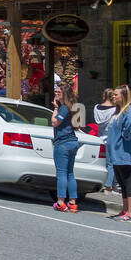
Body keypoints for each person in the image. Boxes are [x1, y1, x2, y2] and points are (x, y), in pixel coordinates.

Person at [107, 85, 131, 223]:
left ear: (124, 96)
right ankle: (125, 210)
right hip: (116, 153)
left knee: (129, 182)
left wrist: (124, 138)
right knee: (122, 183)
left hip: (126, 152)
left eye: (116, 94)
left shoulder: (130, 111)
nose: (114, 96)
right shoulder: (118, 111)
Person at [51, 84, 81, 212]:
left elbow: (55, 122)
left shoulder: (64, 108)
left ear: (65, 95)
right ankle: (73, 203)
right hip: (72, 142)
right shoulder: (73, 107)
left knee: (62, 173)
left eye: (59, 92)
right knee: (70, 173)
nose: (56, 93)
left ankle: (61, 202)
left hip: (63, 143)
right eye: (56, 91)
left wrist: (56, 109)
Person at [93, 88, 117, 194]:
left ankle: (113, 185)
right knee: (111, 164)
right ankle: (108, 186)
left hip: (100, 137)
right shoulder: (115, 109)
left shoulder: (96, 107)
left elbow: (97, 122)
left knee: (103, 163)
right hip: (110, 137)